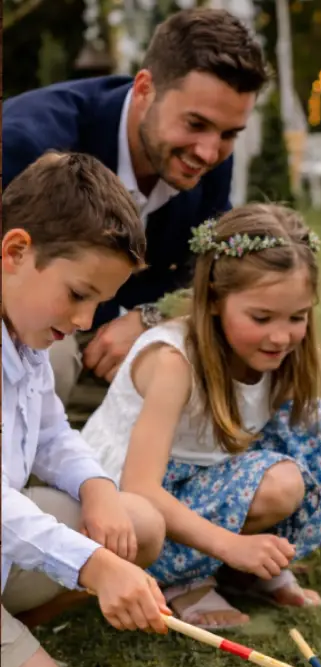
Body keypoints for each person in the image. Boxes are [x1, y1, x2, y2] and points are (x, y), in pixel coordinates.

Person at [81, 204, 321, 630]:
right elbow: (141, 488)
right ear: (214, 301)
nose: (281, 336)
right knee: (280, 482)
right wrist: (230, 544)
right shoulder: (174, 362)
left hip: (204, 476)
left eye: (297, 317)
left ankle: (240, 571)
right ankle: (183, 579)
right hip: (131, 511)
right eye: (261, 318)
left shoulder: (272, 353)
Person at [2, 7, 269, 404]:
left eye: (229, 134)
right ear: (144, 89)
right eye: (195, 124)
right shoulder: (28, 140)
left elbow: (211, 273)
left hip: (125, 335)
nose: (210, 152)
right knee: (45, 360)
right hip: (30, 324)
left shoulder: (210, 161)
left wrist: (152, 319)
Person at [1, 153, 169, 667]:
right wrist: (93, 566)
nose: (85, 320)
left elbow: (51, 431)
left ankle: (18, 630)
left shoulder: (25, 332)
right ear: (15, 252)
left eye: (98, 301)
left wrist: (97, 487)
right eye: (78, 294)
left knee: (136, 522)